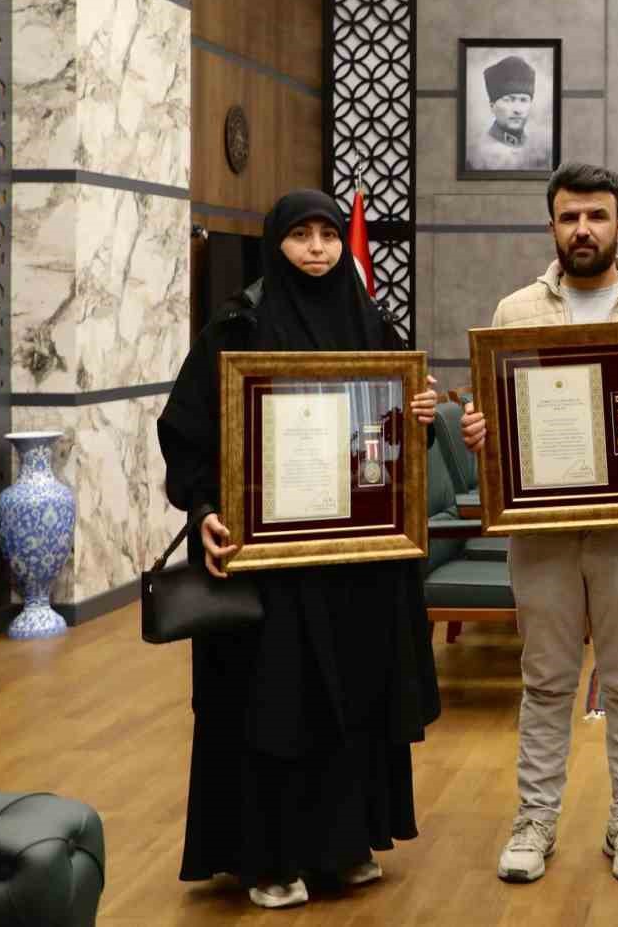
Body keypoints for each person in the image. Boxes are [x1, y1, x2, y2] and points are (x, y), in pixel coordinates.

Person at [157, 189, 441, 910]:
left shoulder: (373, 326)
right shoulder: (238, 326)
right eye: (299, 236)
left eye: (326, 235)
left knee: (350, 695)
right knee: (273, 701)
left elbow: (396, 443)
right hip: (271, 563)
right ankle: (267, 857)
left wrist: (421, 415)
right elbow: (188, 435)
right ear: (274, 244)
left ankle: (342, 846)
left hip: (353, 560)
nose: (316, 248)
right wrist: (208, 510)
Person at [458, 162, 618, 885]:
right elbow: (497, 408)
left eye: (596, 216)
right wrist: (480, 428)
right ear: (553, 225)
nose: (583, 229)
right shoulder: (514, 310)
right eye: (569, 217)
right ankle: (535, 818)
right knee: (548, 678)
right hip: (543, 529)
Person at [467, 54, 552, 172]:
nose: (517, 109)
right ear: (492, 106)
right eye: (509, 100)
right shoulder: (473, 156)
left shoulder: (543, 152)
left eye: (523, 100)